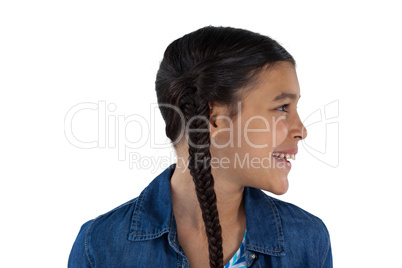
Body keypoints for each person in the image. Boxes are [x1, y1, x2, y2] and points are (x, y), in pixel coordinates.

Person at [68, 26, 333, 268]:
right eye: (282, 107)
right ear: (214, 118)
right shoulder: (100, 247)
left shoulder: (308, 242)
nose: (301, 130)